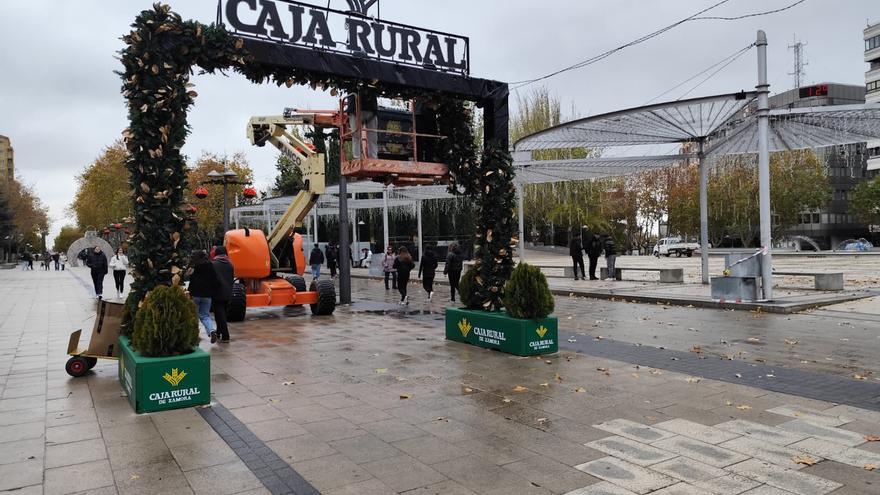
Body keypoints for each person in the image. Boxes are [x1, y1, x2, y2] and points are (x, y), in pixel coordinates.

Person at [188, 250, 219, 343]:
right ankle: (211, 330)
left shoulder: (194, 266)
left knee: (193, 315)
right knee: (205, 315)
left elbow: (191, 279)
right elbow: (215, 279)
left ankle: (193, 335)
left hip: (195, 294)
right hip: (207, 295)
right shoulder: (210, 265)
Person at [212, 246, 234, 343]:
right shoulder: (230, 264)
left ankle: (225, 335)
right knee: (222, 313)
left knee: (219, 314)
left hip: (217, 293)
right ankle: (219, 332)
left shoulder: (213, 264)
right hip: (228, 292)